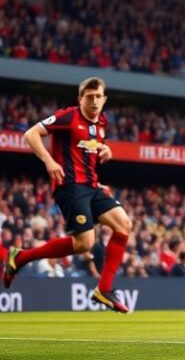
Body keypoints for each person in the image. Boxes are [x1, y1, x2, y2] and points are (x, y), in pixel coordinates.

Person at [2, 77, 133, 313]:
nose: (94, 101)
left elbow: (88, 147)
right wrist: (49, 161)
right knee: (85, 244)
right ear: (80, 99)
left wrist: (105, 149)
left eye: (98, 97)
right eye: (89, 97)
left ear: (104, 99)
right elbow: (31, 134)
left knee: (124, 225)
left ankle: (104, 289)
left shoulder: (101, 124)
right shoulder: (68, 116)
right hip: (70, 187)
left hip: (92, 186)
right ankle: (20, 258)